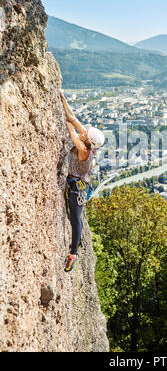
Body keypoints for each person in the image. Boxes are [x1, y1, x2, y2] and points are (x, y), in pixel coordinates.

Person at [60, 90, 105, 272]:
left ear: (88, 140)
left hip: (78, 187)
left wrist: (64, 118)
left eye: (86, 133)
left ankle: (73, 253)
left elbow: (71, 129)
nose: (84, 131)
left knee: (75, 217)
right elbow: (72, 118)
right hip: (75, 182)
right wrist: (61, 97)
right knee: (73, 215)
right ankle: (78, 241)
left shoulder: (84, 150)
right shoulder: (87, 141)